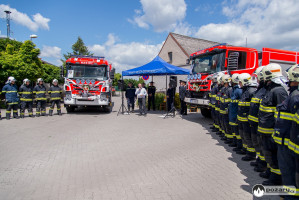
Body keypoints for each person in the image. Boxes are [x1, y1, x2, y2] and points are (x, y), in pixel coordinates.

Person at [258, 63, 288, 185]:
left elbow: (282, 115)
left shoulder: (279, 91)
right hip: (265, 129)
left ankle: (276, 178)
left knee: (274, 154)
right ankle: (271, 172)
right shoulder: (271, 90)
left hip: (272, 131)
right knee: (268, 153)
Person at [273, 64, 299, 194]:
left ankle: (290, 196)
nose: (287, 79)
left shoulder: (295, 96)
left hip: (288, 140)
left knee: (288, 170)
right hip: (287, 138)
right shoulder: (293, 94)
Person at [248, 67, 268, 173]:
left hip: (261, 124)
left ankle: (264, 165)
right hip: (255, 122)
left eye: (258, 77)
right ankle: (260, 160)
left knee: (263, 145)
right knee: (257, 143)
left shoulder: (267, 91)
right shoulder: (260, 90)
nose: (257, 80)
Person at [237, 73, 257, 160]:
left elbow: (253, 107)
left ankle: (251, 154)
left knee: (248, 136)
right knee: (243, 135)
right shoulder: (245, 91)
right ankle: (245, 149)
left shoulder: (251, 91)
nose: (239, 84)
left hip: (247, 120)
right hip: (242, 119)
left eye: (240, 82)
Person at [229, 74, 243, 150]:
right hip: (233, 112)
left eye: (231, 80)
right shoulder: (234, 89)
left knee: (237, 131)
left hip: (236, 113)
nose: (230, 81)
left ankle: (239, 145)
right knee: (234, 129)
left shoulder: (238, 90)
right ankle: (235, 143)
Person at [219, 74, 233, 143]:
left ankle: (229, 139)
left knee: (227, 125)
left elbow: (231, 100)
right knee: (224, 124)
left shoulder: (230, 90)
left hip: (226, 111)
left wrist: (228, 108)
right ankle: (226, 136)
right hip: (223, 110)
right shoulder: (225, 89)